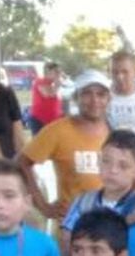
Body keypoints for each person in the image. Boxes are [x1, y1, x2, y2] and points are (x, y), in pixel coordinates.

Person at [19, 70, 112, 222]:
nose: (94, 100)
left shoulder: (116, 132)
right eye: (87, 94)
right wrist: (42, 206)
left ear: (109, 99)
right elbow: (22, 162)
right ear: (76, 97)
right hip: (70, 227)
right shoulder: (57, 130)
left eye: (101, 94)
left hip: (109, 225)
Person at [60, 129, 135, 256]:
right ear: (98, 162)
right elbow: (66, 246)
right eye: (106, 161)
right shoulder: (84, 202)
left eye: (123, 166)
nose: (113, 170)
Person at [28, 62, 63, 135]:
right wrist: (57, 86)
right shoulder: (40, 81)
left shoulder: (54, 84)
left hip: (53, 121)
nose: (59, 74)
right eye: (56, 72)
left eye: (59, 72)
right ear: (48, 72)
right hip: (39, 120)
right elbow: (47, 94)